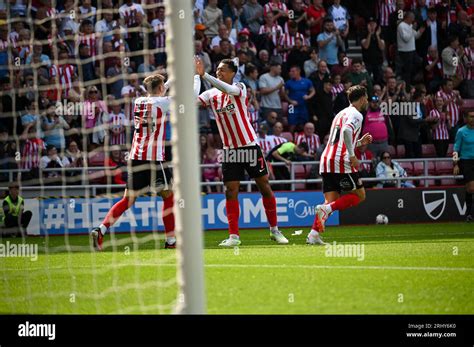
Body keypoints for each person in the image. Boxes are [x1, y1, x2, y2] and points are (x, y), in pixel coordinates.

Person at [90, 73, 198, 250]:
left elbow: (158, 89)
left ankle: (101, 229)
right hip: (154, 159)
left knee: (127, 200)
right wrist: (196, 77)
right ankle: (171, 241)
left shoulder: (138, 101)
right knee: (169, 197)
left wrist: (171, 79)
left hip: (135, 157)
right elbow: (191, 97)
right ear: (161, 89)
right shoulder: (163, 103)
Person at [195, 57, 288, 246]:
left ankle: (274, 230)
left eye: (222, 70)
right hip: (230, 150)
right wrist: (197, 78)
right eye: (217, 69)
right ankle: (234, 237)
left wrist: (203, 75)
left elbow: (228, 89)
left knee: (264, 186)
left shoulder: (240, 88)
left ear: (232, 73)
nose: (219, 72)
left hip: (249, 146)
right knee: (230, 191)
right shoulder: (211, 94)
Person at [307, 85, 373, 245]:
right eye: (367, 97)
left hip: (327, 159)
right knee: (359, 195)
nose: (368, 101)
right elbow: (346, 132)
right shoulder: (356, 114)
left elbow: (341, 138)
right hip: (341, 161)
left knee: (331, 200)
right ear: (363, 97)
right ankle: (326, 210)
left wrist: (359, 143)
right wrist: (352, 155)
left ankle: (313, 235)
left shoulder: (341, 113)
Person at [453, 111, 474, 222]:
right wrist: (455, 164)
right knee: (471, 188)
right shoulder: (461, 131)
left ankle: (469, 214)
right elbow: (456, 149)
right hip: (466, 162)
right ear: (466, 118)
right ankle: (469, 213)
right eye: (471, 116)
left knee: (470, 189)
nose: (473, 119)